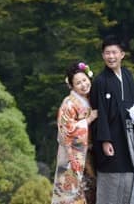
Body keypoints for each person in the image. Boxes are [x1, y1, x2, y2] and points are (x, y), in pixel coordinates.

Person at [90, 36, 134, 204]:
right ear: (102, 56)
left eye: (114, 52)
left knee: (133, 172)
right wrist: (105, 140)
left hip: (130, 133)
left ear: (122, 54)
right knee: (113, 176)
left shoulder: (128, 76)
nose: (111, 57)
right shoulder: (100, 81)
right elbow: (99, 113)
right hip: (112, 136)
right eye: (107, 53)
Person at [52, 61, 99, 204]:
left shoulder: (93, 98)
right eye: (78, 83)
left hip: (92, 153)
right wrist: (88, 120)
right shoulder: (69, 103)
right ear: (72, 86)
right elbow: (65, 131)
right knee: (77, 193)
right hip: (74, 155)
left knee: (94, 193)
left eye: (84, 80)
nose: (83, 85)